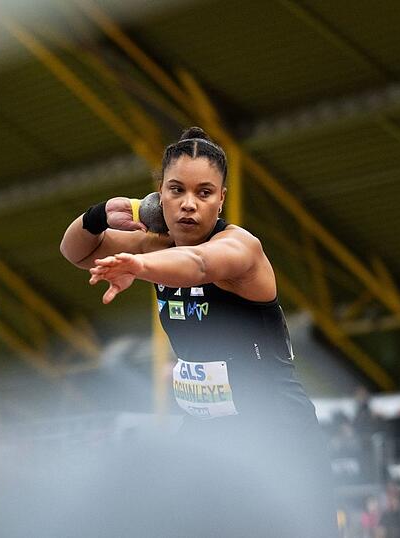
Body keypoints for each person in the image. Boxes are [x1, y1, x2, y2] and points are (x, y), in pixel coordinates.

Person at [60, 127, 336, 536]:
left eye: (204, 193)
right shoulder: (154, 245)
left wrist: (138, 267)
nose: (189, 205)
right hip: (208, 430)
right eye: (176, 190)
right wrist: (101, 214)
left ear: (221, 198)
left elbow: (201, 265)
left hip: (276, 431)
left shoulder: (241, 249)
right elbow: (75, 251)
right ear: (158, 197)